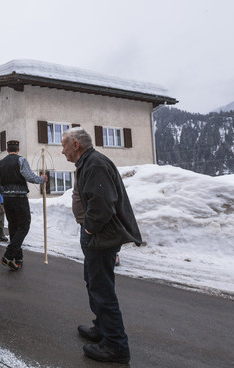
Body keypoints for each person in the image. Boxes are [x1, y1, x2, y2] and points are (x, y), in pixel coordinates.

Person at [62, 127, 141, 364]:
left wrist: (89, 228)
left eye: (64, 145)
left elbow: (104, 203)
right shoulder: (88, 163)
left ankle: (116, 345)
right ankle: (103, 328)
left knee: (102, 288)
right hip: (97, 234)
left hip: (101, 236)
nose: (62, 151)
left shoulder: (95, 164)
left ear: (76, 145)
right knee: (94, 283)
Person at [0, 140, 47, 271]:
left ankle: (18, 259)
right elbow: (30, 177)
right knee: (23, 226)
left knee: (13, 227)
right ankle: (8, 255)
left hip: (7, 199)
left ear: (7, 150)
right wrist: (42, 179)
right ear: (18, 149)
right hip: (20, 198)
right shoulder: (21, 160)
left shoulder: (0, 163)